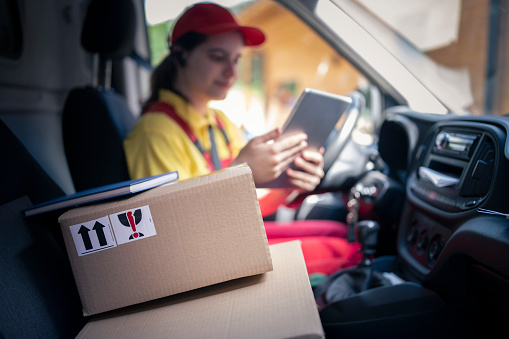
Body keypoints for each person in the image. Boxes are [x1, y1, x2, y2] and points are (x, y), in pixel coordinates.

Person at [124, 2, 360, 275]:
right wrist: (239, 172)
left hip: (230, 237)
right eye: (217, 57)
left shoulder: (220, 123)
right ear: (180, 55)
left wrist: (289, 184)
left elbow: (248, 205)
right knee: (352, 251)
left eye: (236, 60)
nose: (232, 72)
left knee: (338, 230)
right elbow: (169, 234)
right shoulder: (155, 133)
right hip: (206, 260)